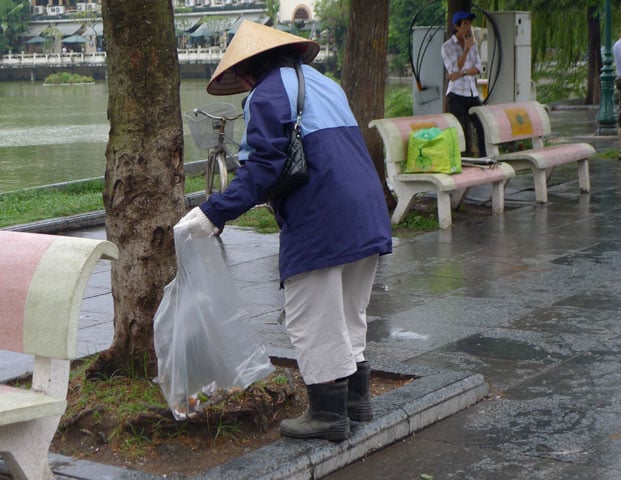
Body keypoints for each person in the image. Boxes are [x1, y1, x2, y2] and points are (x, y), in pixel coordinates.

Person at [176, 20, 393, 442]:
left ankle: (328, 416)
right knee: (349, 311)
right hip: (367, 210)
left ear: (247, 70)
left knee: (311, 315)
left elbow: (264, 165)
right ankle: (355, 401)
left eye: (241, 76)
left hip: (321, 218)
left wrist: (213, 212)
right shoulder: (323, 84)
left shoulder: (268, 91)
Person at [441, 10, 486, 157]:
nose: (468, 26)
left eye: (469, 23)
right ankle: (457, 160)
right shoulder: (447, 47)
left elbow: (478, 67)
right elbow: (454, 68)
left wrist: (463, 73)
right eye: (465, 23)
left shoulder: (472, 44)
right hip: (456, 94)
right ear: (457, 26)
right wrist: (466, 50)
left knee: (481, 125)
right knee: (457, 129)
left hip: (472, 92)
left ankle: (484, 157)